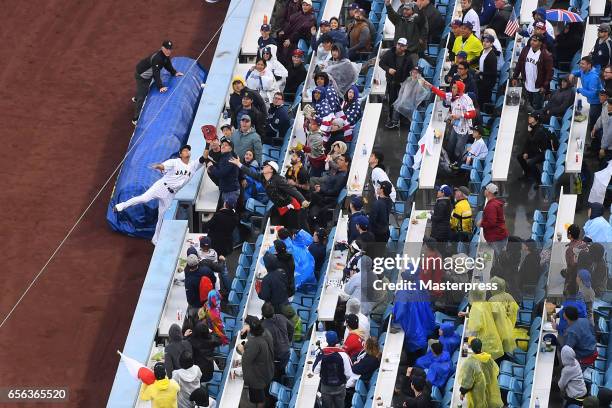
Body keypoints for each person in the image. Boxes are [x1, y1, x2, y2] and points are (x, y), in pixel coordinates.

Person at [114, 144, 206, 245]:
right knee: (143, 198)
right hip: (161, 186)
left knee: (161, 216)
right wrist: (159, 166)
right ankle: (121, 206)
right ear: (180, 154)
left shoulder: (193, 166)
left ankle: (155, 239)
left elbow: (203, 158)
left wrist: (208, 143)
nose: (187, 152)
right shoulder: (175, 162)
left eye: (188, 150)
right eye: (184, 150)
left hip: (170, 195)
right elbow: (163, 166)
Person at [229, 158, 309, 229]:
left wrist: (302, 200)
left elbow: (292, 190)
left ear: (271, 170)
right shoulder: (262, 178)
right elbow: (250, 173)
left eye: (266, 166)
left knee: (293, 229)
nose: (264, 167)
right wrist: (239, 164)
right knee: (271, 225)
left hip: (290, 208)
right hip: (278, 206)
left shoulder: (278, 180)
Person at [423, 80, 476, 162]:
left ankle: (456, 164)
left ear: (459, 89)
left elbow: (473, 113)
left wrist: (461, 115)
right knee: (450, 145)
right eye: (452, 87)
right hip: (455, 126)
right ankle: (448, 162)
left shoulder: (466, 99)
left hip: (463, 130)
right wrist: (431, 87)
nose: (452, 89)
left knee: (458, 150)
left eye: (454, 88)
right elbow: (442, 94)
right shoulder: (452, 96)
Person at [132, 40, 183, 125]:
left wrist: (174, 72)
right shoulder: (158, 58)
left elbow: (167, 65)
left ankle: (136, 98)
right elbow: (156, 73)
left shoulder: (165, 56)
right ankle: (135, 119)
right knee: (142, 95)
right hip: (142, 76)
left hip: (147, 74)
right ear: (162, 48)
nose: (169, 51)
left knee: (143, 89)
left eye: (170, 49)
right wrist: (160, 86)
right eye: (167, 49)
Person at [236, 318, 275, 408]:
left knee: (259, 399)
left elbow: (246, 359)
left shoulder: (255, 343)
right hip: (267, 370)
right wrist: (248, 327)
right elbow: (255, 321)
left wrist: (242, 349)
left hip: (257, 378)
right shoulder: (266, 332)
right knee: (263, 393)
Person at [512, 34, 553, 112]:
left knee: (538, 107)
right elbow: (519, 64)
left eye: (535, 41)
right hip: (527, 83)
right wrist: (515, 77)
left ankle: (537, 121)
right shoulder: (526, 50)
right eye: (531, 40)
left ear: (540, 43)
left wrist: (544, 86)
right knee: (529, 104)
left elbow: (549, 73)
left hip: (538, 86)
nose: (532, 42)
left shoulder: (546, 55)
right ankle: (531, 120)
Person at [312, 331, 354, 407]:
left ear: (327, 341)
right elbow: (349, 374)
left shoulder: (322, 354)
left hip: (326, 388)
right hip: (340, 388)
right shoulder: (344, 355)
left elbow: (315, 371)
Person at [308, 154, 350, 228]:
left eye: (341, 160)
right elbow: (329, 185)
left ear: (346, 163)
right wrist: (320, 188)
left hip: (327, 200)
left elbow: (334, 192)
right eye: (338, 159)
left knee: (312, 196)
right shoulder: (338, 172)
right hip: (323, 195)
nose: (338, 161)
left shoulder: (342, 176)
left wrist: (321, 190)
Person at [458, 338, 503, 408]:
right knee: (487, 398)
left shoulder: (470, 362)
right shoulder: (487, 357)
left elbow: (467, 381)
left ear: (471, 348)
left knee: (478, 403)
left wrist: (462, 392)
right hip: (488, 384)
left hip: (477, 389)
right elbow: (495, 370)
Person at [380, 37, 414, 129]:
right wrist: (388, 69)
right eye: (399, 44)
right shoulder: (389, 54)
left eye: (402, 45)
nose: (399, 47)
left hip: (403, 83)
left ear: (406, 47)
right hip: (392, 81)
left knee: (402, 102)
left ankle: (402, 120)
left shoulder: (408, 58)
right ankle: (391, 120)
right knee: (392, 100)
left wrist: (411, 75)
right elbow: (381, 63)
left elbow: (411, 70)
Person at [462, 289, 504, 360]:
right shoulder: (484, 303)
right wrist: (469, 314)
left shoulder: (476, 307)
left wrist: (464, 353)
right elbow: (483, 316)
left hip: (485, 342)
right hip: (492, 337)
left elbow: (474, 329)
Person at [384, 0, 427, 67]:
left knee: (413, 69)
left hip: (412, 52)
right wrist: (388, 5)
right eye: (404, 9)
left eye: (407, 9)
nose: (405, 11)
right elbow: (391, 14)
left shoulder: (416, 20)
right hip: (398, 52)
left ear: (412, 11)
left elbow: (422, 20)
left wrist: (421, 10)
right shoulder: (398, 19)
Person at [570, 56, 604, 138]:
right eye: (580, 63)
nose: (581, 65)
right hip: (592, 101)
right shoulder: (583, 70)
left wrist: (580, 90)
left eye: (583, 64)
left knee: (594, 121)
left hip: (597, 103)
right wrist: (572, 73)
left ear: (589, 65)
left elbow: (592, 94)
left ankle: (595, 139)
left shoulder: (594, 77)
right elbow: (578, 72)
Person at [261, 302, 294, 381]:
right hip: (286, 351)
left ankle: (277, 384)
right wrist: (288, 341)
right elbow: (291, 328)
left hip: (276, 356)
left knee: (276, 374)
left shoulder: (263, 326)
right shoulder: (281, 317)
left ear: (262, 314)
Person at [277, 0, 317, 65]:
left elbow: (301, 31)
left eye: (307, 5)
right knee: (280, 39)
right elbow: (290, 24)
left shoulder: (312, 18)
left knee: (287, 53)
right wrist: (283, 31)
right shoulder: (298, 14)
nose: (305, 7)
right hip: (291, 38)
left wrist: (290, 40)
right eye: (304, 5)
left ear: (310, 6)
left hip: (300, 41)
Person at [206, 138, 240, 208]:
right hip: (226, 190)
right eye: (222, 144)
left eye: (226, 145)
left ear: (230, 149)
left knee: (228, 214)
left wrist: (211, 167)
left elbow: (220, 174)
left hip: (231, 192)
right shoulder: (224, 157)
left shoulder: (230, 159)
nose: (223, 146)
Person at [488, 276, 518, 354]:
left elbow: (490, 317)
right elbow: (515, 310)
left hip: (498, 334)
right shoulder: (509, 296)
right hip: (509, 330)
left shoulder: (492, 300)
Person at [516, 112, 549, 183]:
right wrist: (525, 152)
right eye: (529, 117)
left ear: (536, 120)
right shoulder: (531, 127)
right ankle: (528, 173)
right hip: (534, 150)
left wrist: (529, 132)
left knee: (531, 163)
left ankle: (538, 180)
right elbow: (527, 142)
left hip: (541, 152)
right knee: (519, 156)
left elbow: (533, 140)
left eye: (531, 117)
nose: (529, 118)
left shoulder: (540, 129)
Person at [477, 183, 508, 255]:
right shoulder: (496, 203)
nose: (484, 191)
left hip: (496, 238)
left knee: (499, 258)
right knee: (501, 257)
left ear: (489, 192)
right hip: (500, 236)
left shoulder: (491, 206)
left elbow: (491, 223)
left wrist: (480, 223)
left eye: (486, 189)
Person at [184, 254, 216, 318]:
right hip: (211, 300)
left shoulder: (188, 281)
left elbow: (190, 300)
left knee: (190, 313)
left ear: (188, 265)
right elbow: (214, 280)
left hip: (198, 306)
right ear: (198, 262)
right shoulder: (206, 270)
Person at [476, 34, 498, 107]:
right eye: (484, 41)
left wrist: (481, 73)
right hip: (482, 79)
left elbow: (493, 73)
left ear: (491, 44)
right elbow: (478, 59)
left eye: (487, 42)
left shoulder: (492, 56)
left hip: (488, 82)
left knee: (484, 100)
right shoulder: (483, 51)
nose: (484, 43)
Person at [594, 96, 612, 165]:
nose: (608, 106)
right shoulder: (607, 110)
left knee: (604, 164)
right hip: (607, 144)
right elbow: (602, 118)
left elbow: (609, 135)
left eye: (610, 105)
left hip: (609, 147)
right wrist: (595, 127)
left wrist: (603, 148)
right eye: (609, 104)